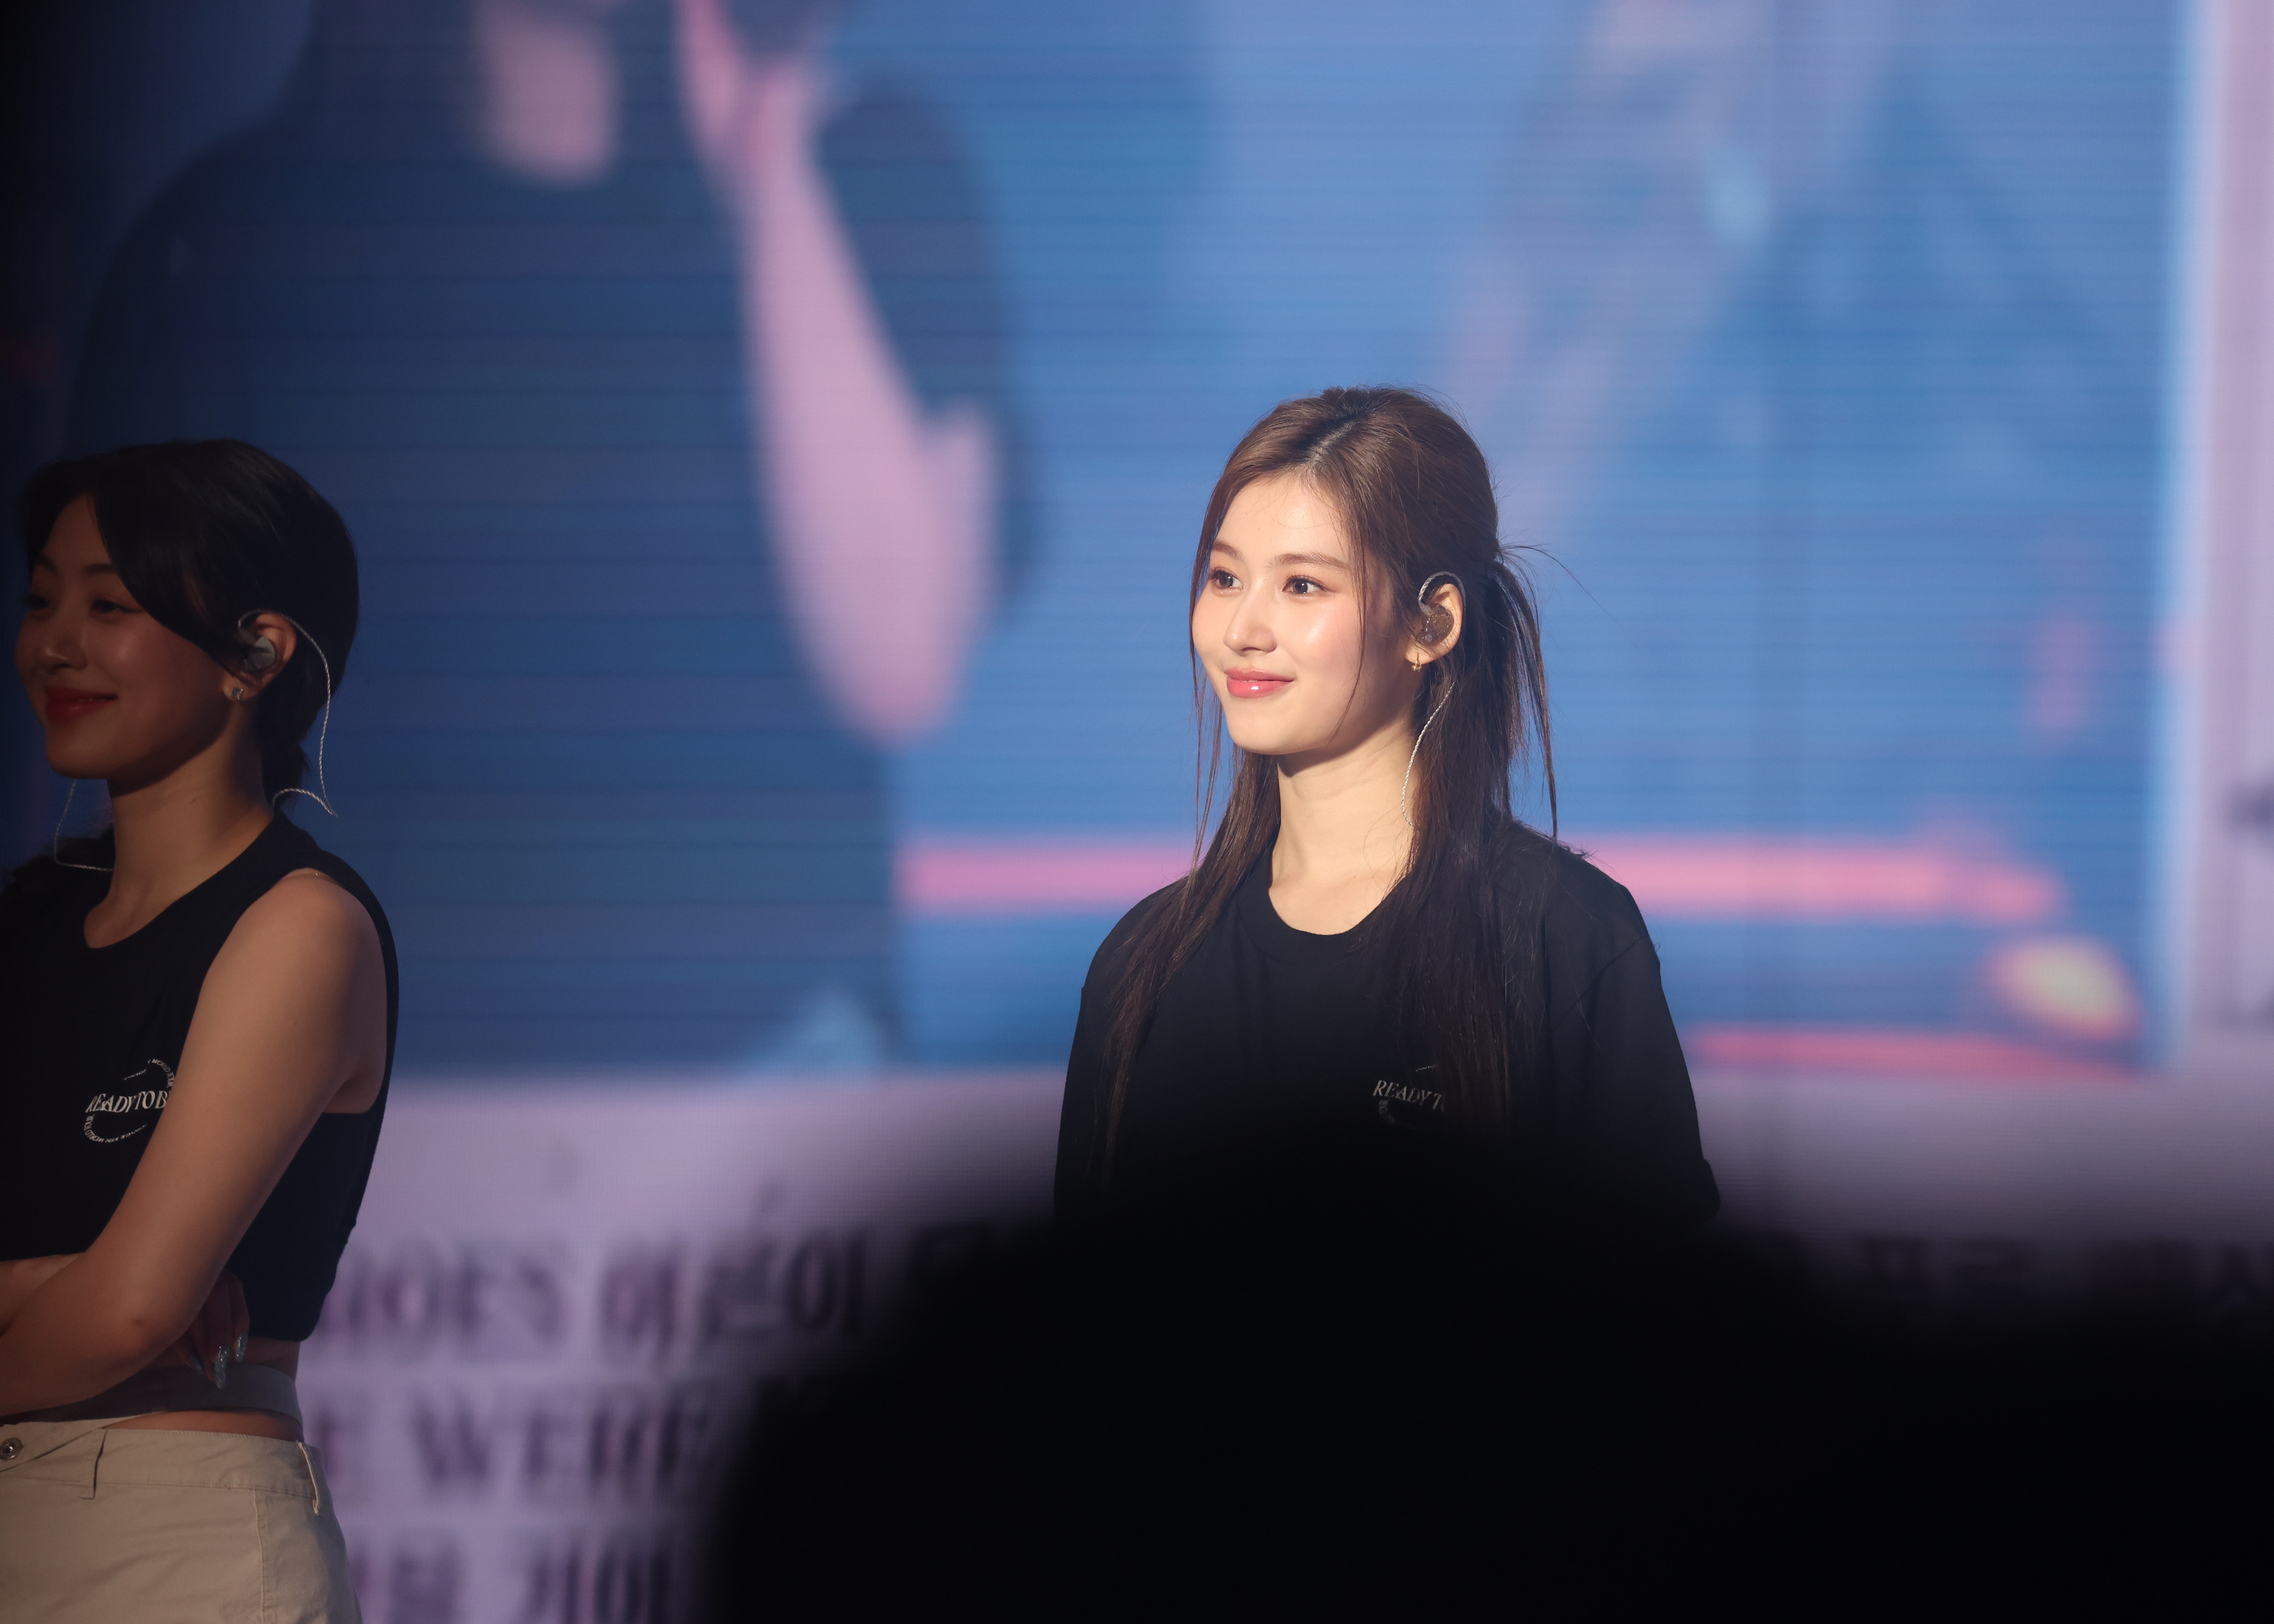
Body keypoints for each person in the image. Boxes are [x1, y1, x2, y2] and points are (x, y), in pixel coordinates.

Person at [66, 0, 1025, 1069]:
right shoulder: (231, 246)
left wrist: (771, 149)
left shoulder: (864, 172)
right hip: (354, 1083)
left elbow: (898, 663)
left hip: (777, 1080)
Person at [1053, 385, 1717, 1235]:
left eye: (1302, 585)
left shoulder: (1565, 937)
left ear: (1431, 623)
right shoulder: (1141, 967)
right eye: (1225, 578)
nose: (1243, 629)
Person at [0, 440, 394, 1624]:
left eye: (109, 603)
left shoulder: (300, 925)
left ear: (256, 653)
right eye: (42, 598)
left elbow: (131, 1312)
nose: (55, 644)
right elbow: (115, 1301)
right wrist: (50, 1287)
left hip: (164, 1585)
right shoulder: (25, 924)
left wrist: (91, 1293)